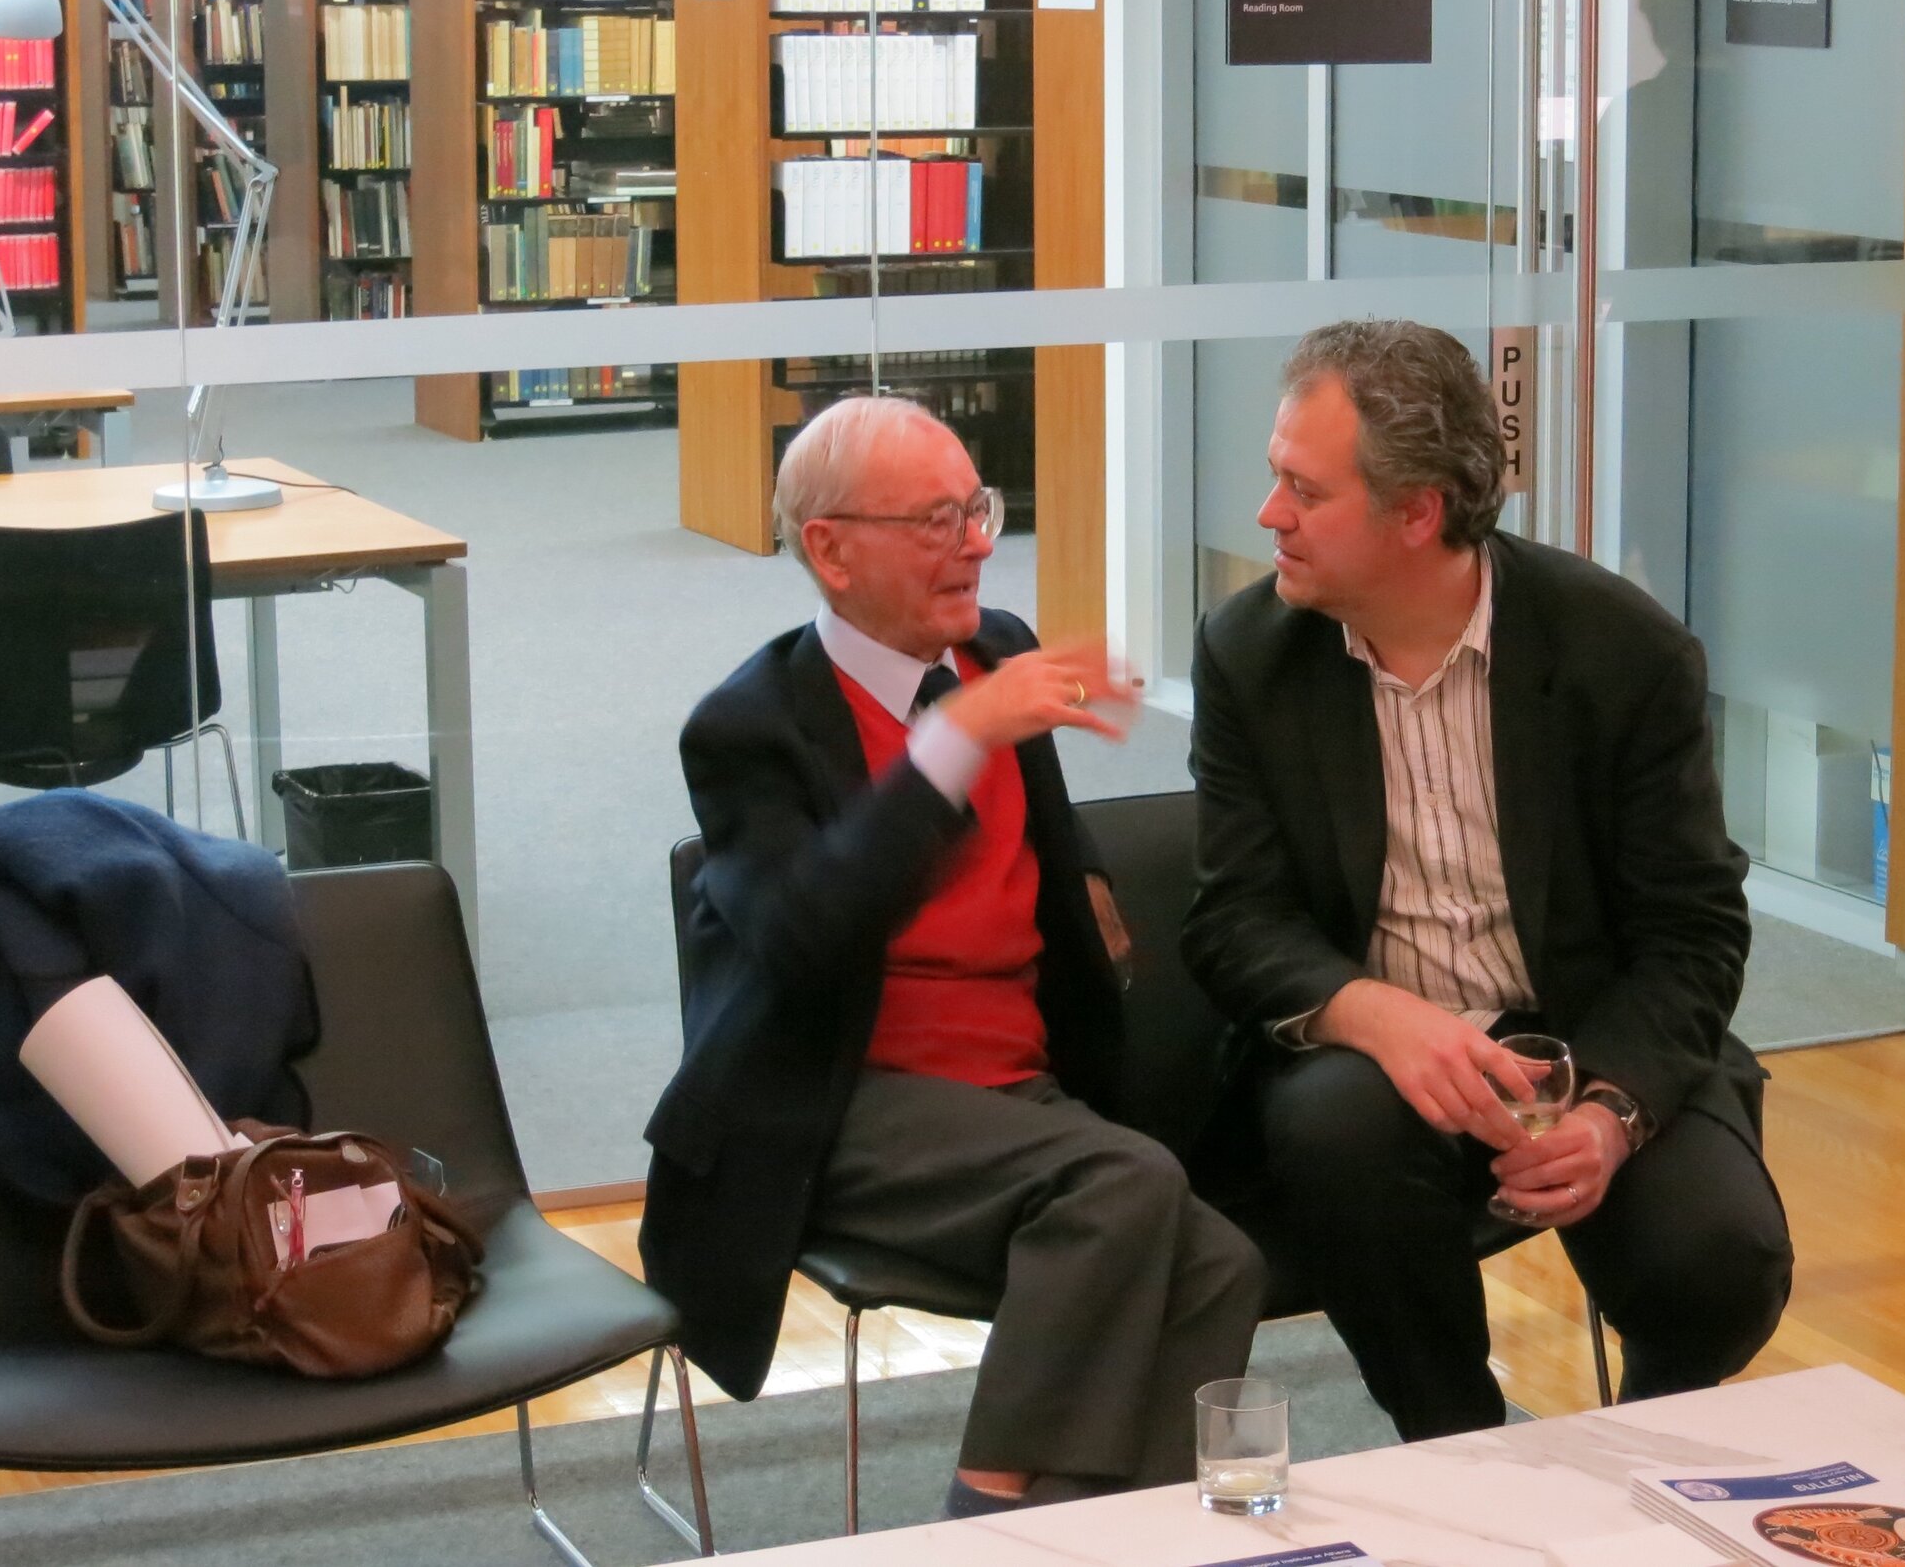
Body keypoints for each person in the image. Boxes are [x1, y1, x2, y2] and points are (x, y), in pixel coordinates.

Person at [641, 394, 1264, 1516]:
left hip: (1015, 1098)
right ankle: (977, 1523)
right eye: (936, 519)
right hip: (839, 1105)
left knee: (1219, 1260)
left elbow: (1040, 832)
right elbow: (801, 938)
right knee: (1123, 1185)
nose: (978, 540)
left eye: (976, 508)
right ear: (830, 550)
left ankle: (1093, 1538)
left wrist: (1083, 877)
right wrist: (953, 743)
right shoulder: (747, 728)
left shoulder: (998, 652)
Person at [1182, 321, 1792, 1440]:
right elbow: (1233, 918)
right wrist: (1376, 1016)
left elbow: (1692, 931)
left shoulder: (1623, 652)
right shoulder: (1249, 654)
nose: (1269, 515)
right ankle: (1455, 1446)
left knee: (1721, 1258)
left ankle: (1641, 1449)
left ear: (1415, 515)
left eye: (1302, 491)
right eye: (1276, 478)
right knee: (1335, 1131)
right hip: (1378, 1061)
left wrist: (1609, 1112)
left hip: (1587, 1032)